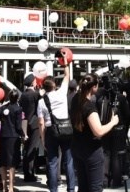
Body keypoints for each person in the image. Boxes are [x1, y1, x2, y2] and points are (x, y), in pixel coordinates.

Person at [70, 74, 119, 192]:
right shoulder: (89, 107)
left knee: (83, 186)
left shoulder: (76, 99)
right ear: (94, 87)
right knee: (95, 187)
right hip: (91, 151)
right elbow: (98, 131)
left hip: (77, 147)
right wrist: (113, 122)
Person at [38, 64, 75, 192]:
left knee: (52, 163)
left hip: (50, 131)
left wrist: (43, 139)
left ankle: (53, 189)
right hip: (65, 128)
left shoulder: (41, 101)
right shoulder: (61, 93)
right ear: (54, 85)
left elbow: (41, 122)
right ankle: (71, 188)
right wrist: (65, 62)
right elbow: (67, 75)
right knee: (69, 161)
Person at [0, 90, 23, 192]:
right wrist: (23, 135)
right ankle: (11, 187)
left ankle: (4, 187)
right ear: (17, 98)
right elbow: (18, 126)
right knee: (12, 163)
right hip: (13, 137)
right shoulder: (18, 109)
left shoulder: (2, 108)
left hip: (2, 137)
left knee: (2, 163)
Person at [19, 74, 41, 182]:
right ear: (33, 82)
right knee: (33, 149)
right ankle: (30, 173)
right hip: (35, 124)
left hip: (25, 124)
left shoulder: (23, 95)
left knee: (26, 148)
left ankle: (26, 172)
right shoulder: (35, 95)